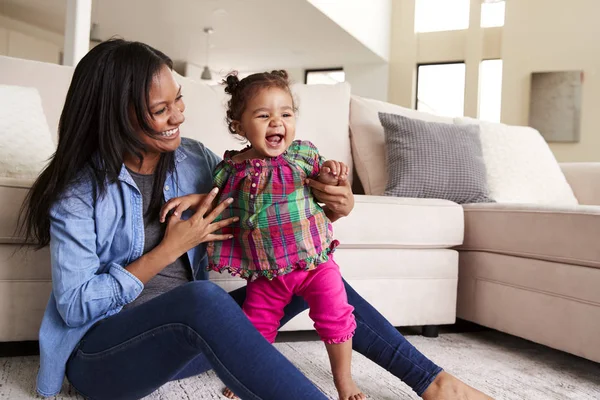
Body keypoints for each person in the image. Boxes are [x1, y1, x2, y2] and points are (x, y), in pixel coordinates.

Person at [19, 38, 492, 400]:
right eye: (160, 110)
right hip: (105, 360)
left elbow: (272, 210)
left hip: (189, 347)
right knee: (202, 298)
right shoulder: (78, 193)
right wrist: (169, 248)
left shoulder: (194, 160)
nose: (178, 116)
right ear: (114, 117)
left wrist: (336, 203)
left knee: (311, 272)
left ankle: (434, 383)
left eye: (178, 100)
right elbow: (77, 304)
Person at [160, 70, 363, 400]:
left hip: (315, 265)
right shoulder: (233, 168)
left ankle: (344, 381)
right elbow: (220, 197)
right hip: (267, 273)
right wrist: (196, 199)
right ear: (239, 126)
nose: (276, 123)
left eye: (285, 114)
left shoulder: (303, 155)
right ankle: (246, 375)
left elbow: (326, 181)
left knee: (336, 318)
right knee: (255, 327)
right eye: (263, 115)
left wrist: (333, 174)